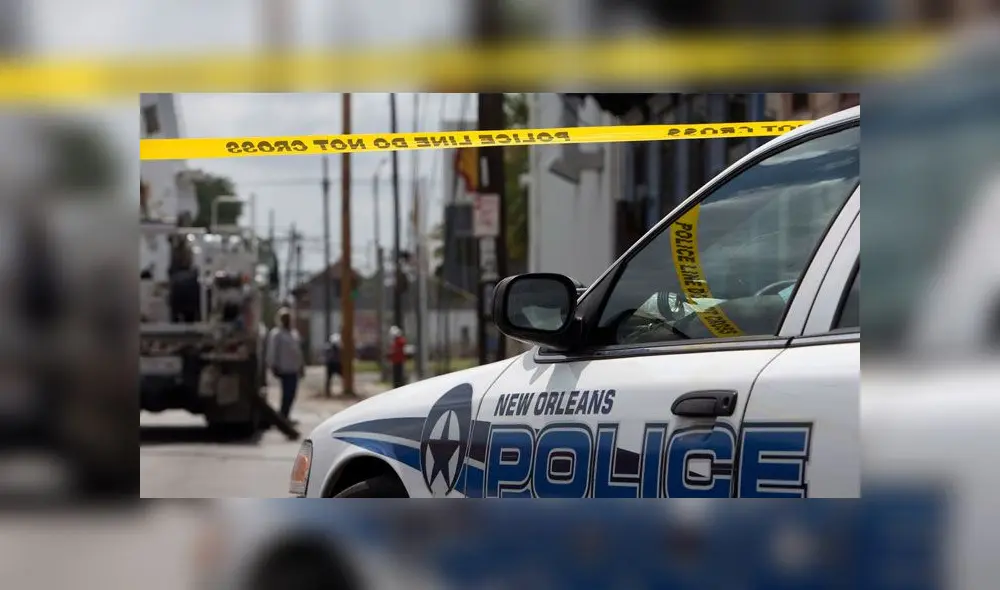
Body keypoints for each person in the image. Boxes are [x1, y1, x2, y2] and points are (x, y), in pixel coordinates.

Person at [266, 308, 304, 424]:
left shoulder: (294, 333)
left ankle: (286, 415)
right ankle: (283, 417)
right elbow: (272, 351)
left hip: (294, 369)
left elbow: (298, 351)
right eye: (285, 318)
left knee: (292, 394)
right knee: (286, 394)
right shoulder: (276, 334)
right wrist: (273, 365)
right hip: (284, 369)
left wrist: (302, 366)